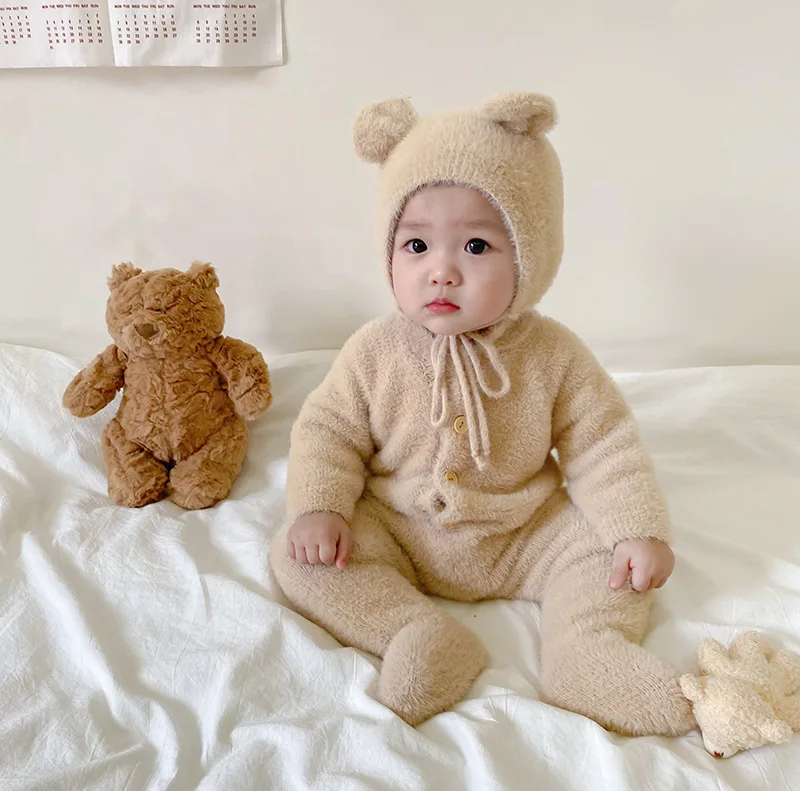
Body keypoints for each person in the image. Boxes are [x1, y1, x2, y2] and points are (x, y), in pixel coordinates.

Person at [270, 92, 696, 735]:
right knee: (296, 556)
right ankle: (417, 631)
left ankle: (586, 658)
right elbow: (328, 432)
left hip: (526, 533)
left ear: (531, 254)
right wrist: (321, 507)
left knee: (606, 554)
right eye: (415, 245)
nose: (441, 272)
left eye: (475, 245)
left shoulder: (552, 353)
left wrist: (636, 529)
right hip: (404, 529)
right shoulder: (373, 351)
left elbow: (604, 445)